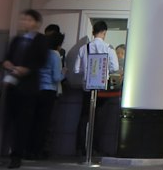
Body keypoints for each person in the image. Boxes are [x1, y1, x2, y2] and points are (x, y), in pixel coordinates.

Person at [0, 10, 49, 169]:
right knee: (11, 120)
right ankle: (10, 150)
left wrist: (27, 69)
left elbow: (41, 60)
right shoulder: (17, 40)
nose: (25, 22)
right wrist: (7, 63)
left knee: (23, 122)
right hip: (13, 85)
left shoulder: (41, 40)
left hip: (29, 87)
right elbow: (7, 57)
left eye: (28, 19)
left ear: (36, 22)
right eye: (24, 19)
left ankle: (17, 155)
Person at [66, 19, 116, 154]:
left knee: (84, 118)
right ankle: (94, 148)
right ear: (104, 33)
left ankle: (80, 148)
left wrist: (88, 71)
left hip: (87, 87)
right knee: (99, 119)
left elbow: (77, 69)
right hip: (102, 89)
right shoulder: (108, 48)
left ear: (93, 32)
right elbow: (115, 67)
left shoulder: (83, 48)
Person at [33, 25, 65, 158]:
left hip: (37, 90)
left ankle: (31, 150)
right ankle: (40, 151)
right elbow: (56, 77)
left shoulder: (41, 52)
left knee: (36, 121)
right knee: (45, 123)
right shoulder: (55, 55)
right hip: (49, 91)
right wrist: (64, 73)